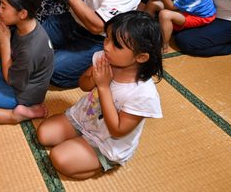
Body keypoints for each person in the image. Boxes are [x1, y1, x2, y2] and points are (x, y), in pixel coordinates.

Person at [36, 11, 163, 179]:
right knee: (44, 134)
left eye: (117, 45)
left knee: (59, 158)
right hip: (84, 118)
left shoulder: (143, 94)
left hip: (107, 141)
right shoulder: (105, 58)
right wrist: (94, 77)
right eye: (107, 38)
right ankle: (79, 143)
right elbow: (83, 85)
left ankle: (105, 163)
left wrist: (103, 87)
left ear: (141, 57)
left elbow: (117, 131)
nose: (106, 46)